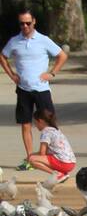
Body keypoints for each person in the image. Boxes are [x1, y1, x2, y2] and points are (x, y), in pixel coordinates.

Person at [0, 9, 68, 170]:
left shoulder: (43, 40)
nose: (25, 26)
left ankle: (54, 157)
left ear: (34, 22)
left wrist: (52, 73)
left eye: (28, 23)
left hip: (42, 89)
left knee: (50, 125)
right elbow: (2, 56)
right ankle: (31, 158)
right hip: (23, 89)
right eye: (22, 23)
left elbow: (62, 55)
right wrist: (12, 75)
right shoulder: (14, 41)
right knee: (25, 125)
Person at [29, 111, 77, 183]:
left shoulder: (46, 132)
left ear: (40, 121)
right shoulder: (55, 130)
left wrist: (31, 156)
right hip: (72, 163)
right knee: (36, 157)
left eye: (35, 122)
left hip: (64, 163)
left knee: (31, 159)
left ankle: (58, 174)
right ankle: (63, 174)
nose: (35, 125)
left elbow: (42, 152)